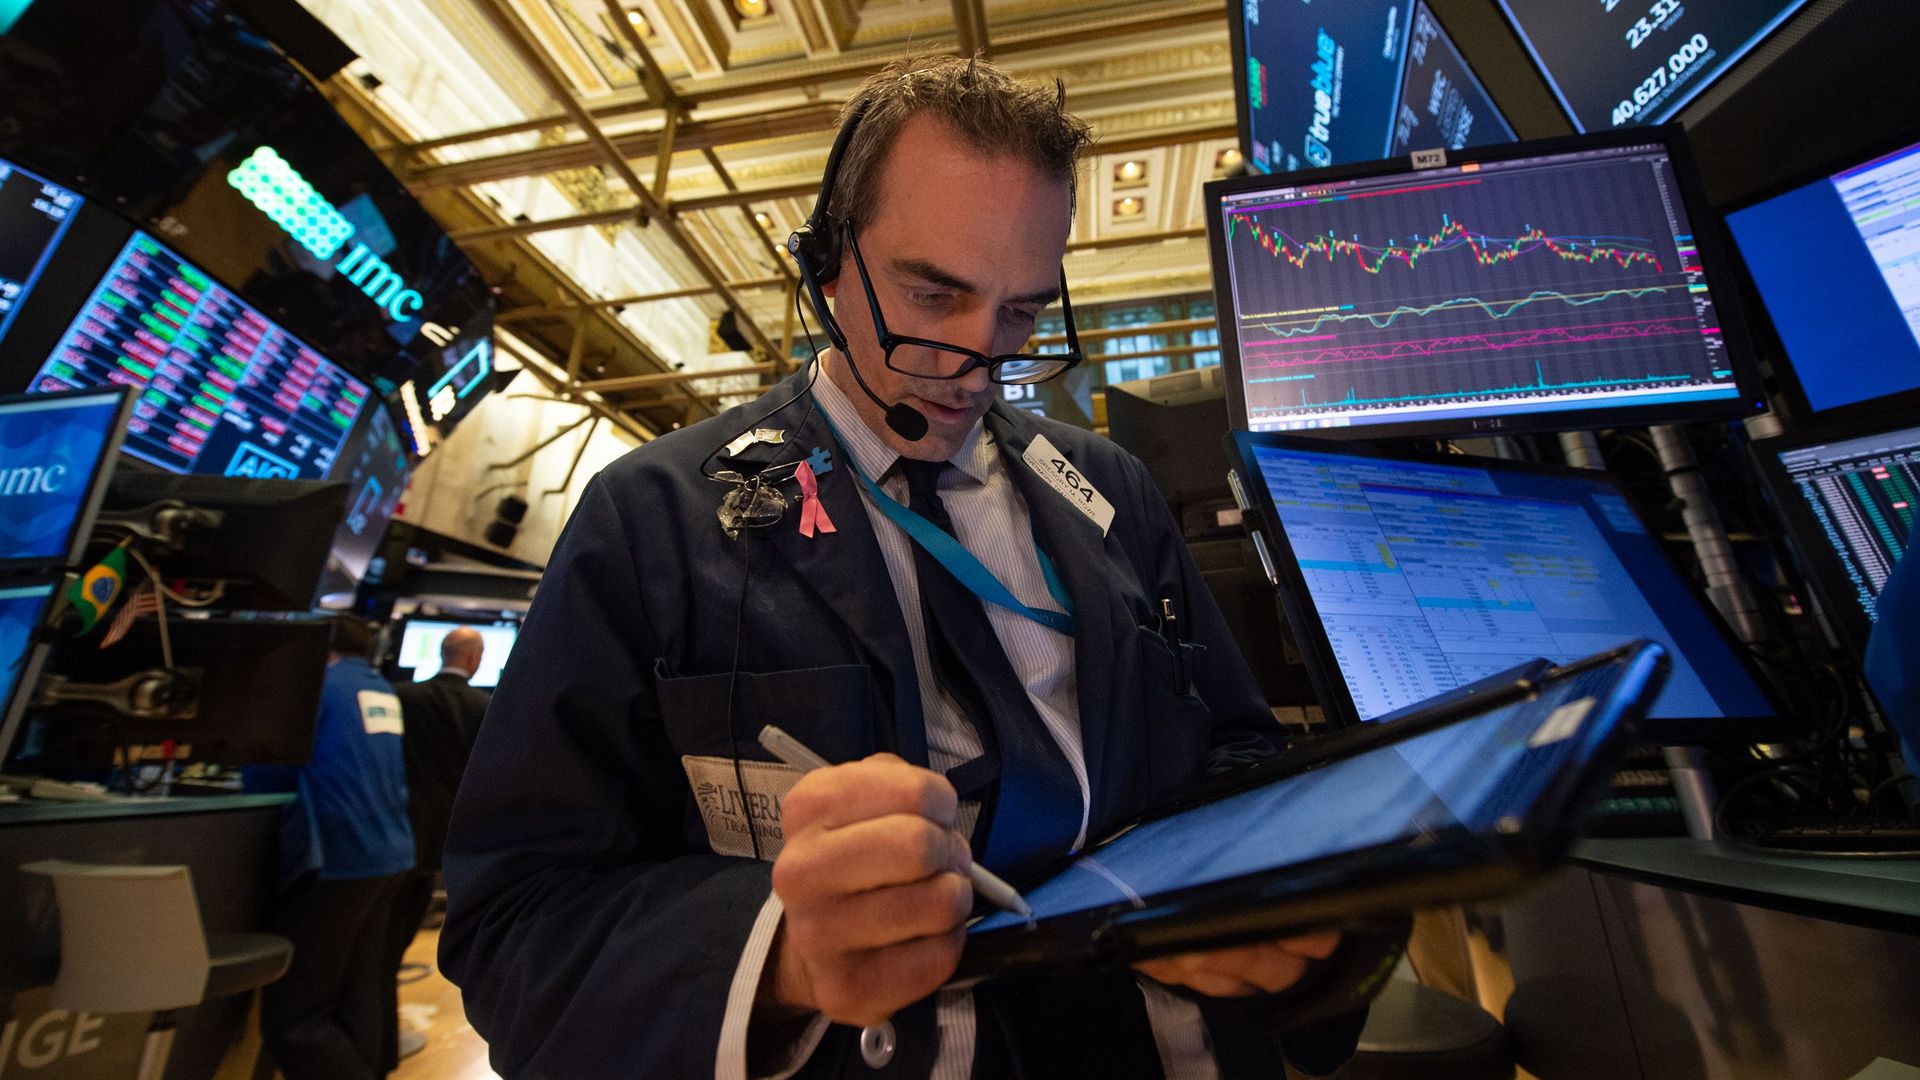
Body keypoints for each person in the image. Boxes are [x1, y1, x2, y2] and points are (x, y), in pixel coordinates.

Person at [441, 56, 1402, 1079]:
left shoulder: (1110, 488)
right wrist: (777, 957)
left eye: (1023, 314)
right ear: (823, 260)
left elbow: (1236, 756)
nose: (974, 363)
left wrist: (1274, 882)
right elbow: (514, 921)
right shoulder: (652, 517)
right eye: (932, 295)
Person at [249, 614, 414, 1079]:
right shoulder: (378, 687)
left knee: (295, 1021)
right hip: (389, 854)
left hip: (338, 859)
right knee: (356, 997)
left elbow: (266, 767)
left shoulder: (316, 685)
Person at [383, 626, 491, 1055]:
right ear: (473, 660)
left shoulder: (401, 698)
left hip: (402, 829)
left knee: (386, 938)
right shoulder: (486, 708)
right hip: (458, 835)